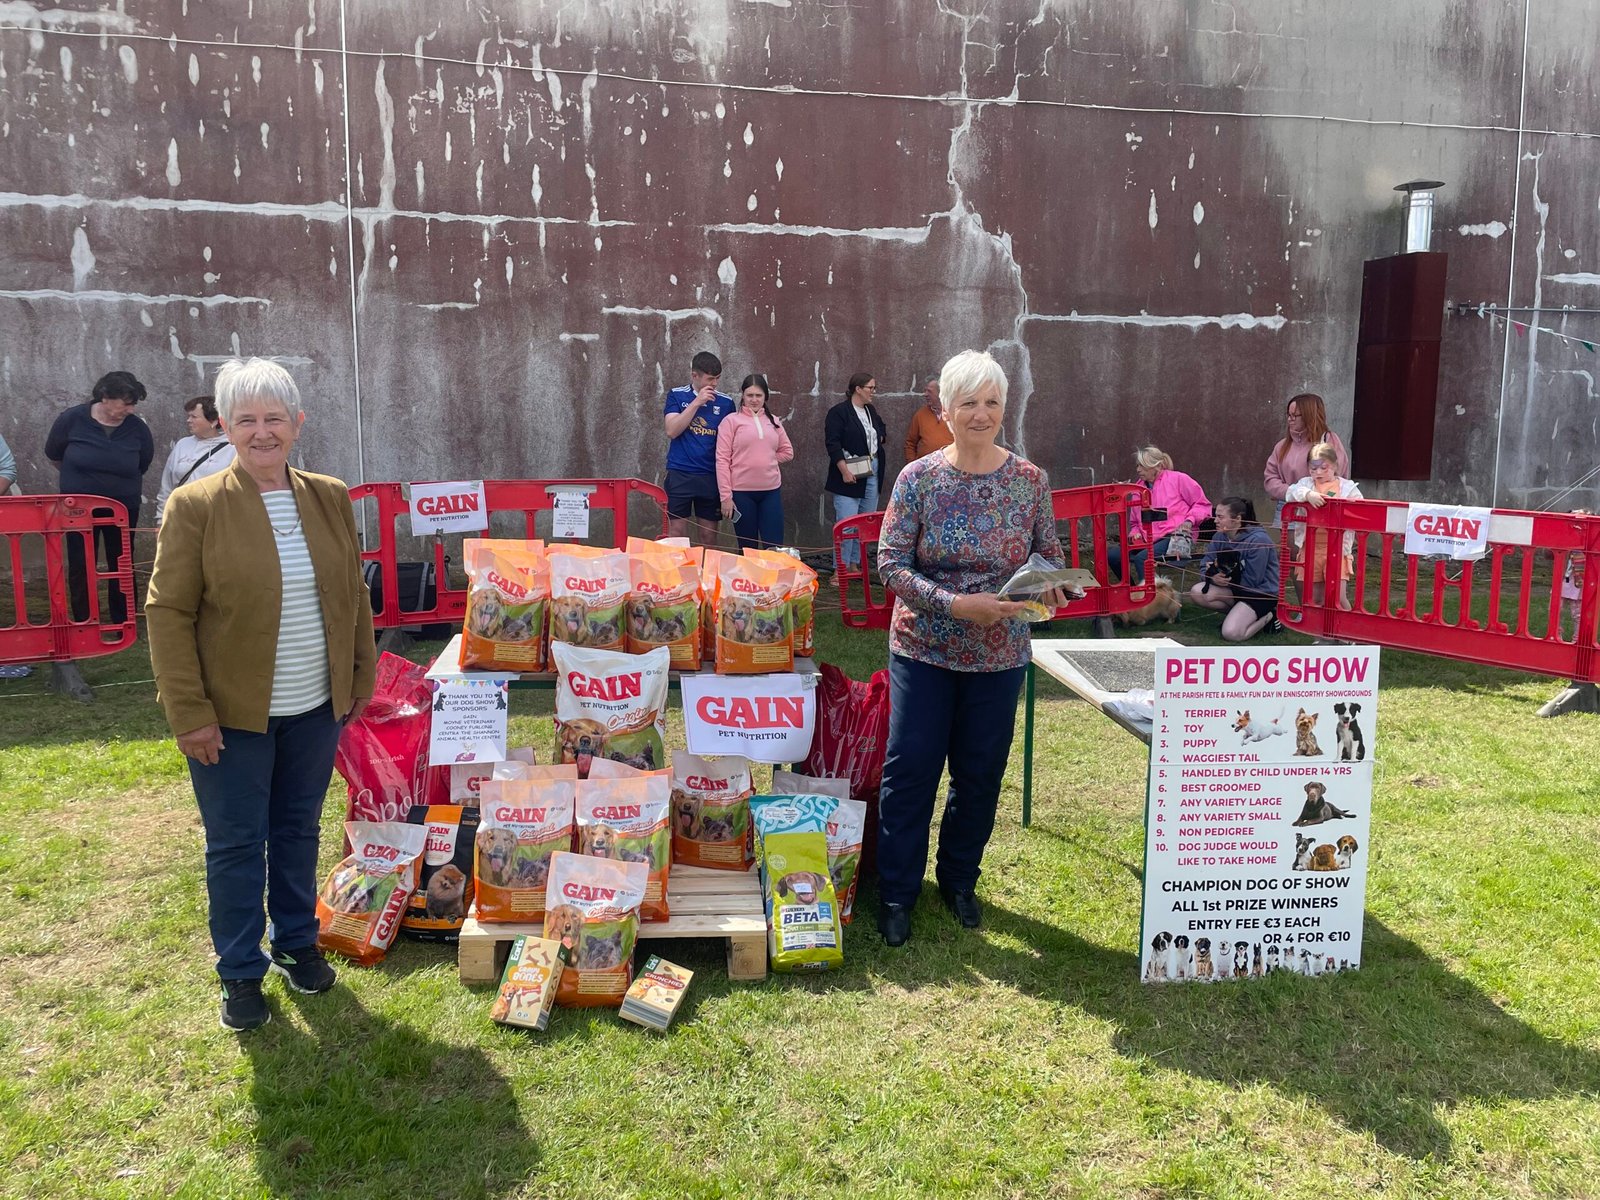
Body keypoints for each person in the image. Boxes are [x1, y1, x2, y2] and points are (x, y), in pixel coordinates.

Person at [145, 358, 375, 1032]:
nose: (262, 431)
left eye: (275, 417)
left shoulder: (329, 496)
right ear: (225, 426)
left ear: (297, 424)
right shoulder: (195, 505)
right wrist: (190, 714)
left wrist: (358, 677)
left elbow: (352, 593)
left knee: (298, 829)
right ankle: (241, 970)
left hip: (315, 706)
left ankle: (297, 942)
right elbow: (168, 613)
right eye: (246, 419)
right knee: (237, 844)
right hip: (231, 716)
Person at [874, 350, 1073, 947]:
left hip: (1000, 655)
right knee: (911, 770)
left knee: (980, 773)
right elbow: (890, 564)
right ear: (946, 409)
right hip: (924, 648)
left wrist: (1052, 586)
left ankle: (959, 880)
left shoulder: (1030, 480)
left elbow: (1049, 557)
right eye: (968, 403)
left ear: (1004, 408)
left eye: (991, 402)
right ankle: (896, 892)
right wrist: (958, 605)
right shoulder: (918, 478)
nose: (981, 414)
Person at [44, 371, 154, 624]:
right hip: (78, 508)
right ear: (105, 397)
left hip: (123, 507)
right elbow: (54, 454)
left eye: (134, 404)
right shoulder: (72, 419)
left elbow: (143, 463)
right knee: (81, 561)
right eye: (126, 403)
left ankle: (123, 620)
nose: (131, 409)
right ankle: (85, 621)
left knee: (122, 560)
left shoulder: (137, 428)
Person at [1106, 446, 1212, 583]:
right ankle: (1132, 590)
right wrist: (1135, 533)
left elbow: (1202, 504)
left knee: (1143, 558)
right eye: (1137, 465)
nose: (1138, 470)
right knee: (1113, 555)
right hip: (1146, 539)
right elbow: (1134, 523)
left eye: (1143, 466)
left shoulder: (1179, 479)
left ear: (1157, 466)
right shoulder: (1138, 489)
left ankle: (1150, 594)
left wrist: (1189, 521)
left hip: (1174, 536)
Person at [662, 350, 736, 544]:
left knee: (708, 535)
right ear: (694, 375)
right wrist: (697, 403)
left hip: (710, 476)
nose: (715, 383)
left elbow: (731, 443)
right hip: (680, 473)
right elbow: (671, 430)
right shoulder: (677, 395)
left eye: (718, 378)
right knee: (677, 533)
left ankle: (707, 566)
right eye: (710, 379)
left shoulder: (726, 402)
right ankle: (680, 565)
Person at [715, 374, 794, 550]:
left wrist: (767, 459)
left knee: (774, 547)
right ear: (743, 395)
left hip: (770, 492)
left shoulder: (774, 421)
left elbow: (788, 452)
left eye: (758, 395)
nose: (754, 399)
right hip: (741, 494)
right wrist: (725, 497)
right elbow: (722, 460)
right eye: (749, 395)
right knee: (747, 548)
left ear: (765, 396)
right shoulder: (731, 421)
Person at [1187, 496, 1281, 641]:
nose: (1215, 521)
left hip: (1259, 594)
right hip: (1235, 589)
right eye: (1215, 516)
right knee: (1197, 592)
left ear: (1237, 519)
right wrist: (1212, 577)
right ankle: (1239, 616)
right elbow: (1205, 564)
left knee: (1231, 634)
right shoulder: (1219, 536)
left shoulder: (1258, 541)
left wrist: (1225, 580)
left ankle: (1269, 616)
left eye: (1220, 517)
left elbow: (1253, 581)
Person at [823, 372, 888, 575]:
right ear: (858, 389)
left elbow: (881, 428)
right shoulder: (839, 412)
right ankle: (840, 568)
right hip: (850, 469)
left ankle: (854, 563)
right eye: (870, 388)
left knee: (865, 521)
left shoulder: (870, 411)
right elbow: (833, 443)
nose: (873, 392)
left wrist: (880, 437)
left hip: (872, 468)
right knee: (847, 520)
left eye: (874, 388)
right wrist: (844, 469)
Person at [1285, 441, 1362, 608]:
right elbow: (1291, 492)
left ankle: (1344, 625)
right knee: (1316, 598)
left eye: (1323, 468)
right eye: (1313, 469)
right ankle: (1318, 626)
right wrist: (1308, 494)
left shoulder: (1347, 487)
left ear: (1335, 466)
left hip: (1336, 547)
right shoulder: (1306, 484)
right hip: (1311, 548)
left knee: (1338, 597)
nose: (1318, 472)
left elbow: (1359, 506)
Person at [1265, 393, 1348, 528]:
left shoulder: (1329, 441)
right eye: (1288, 415)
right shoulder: (1282, 446)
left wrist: (1319, 495)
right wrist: (1292, 492)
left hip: (1319, 507)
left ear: (1309, 416)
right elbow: (1270, 478)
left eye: (1295, 416)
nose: (1290, 420)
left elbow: (1338, 475)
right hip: (1288, 505)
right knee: (1289, 542)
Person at [155, 394, 236, 523]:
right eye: (188, 416)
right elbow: (167, 485)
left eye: (194, 416)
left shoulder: (232, 448)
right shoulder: (182, 444)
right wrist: (161, 518)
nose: (189, 420)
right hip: (181, 517)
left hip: (216, 519)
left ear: (213, 421)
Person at [903, 377, 953, 462]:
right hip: (926, 467)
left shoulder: (954, 414)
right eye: (925, 390)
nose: (925, 394)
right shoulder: (920, 414)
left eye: (929, 391)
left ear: (940, 392)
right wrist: (912, 463)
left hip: (950, 466)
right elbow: (910, 443)